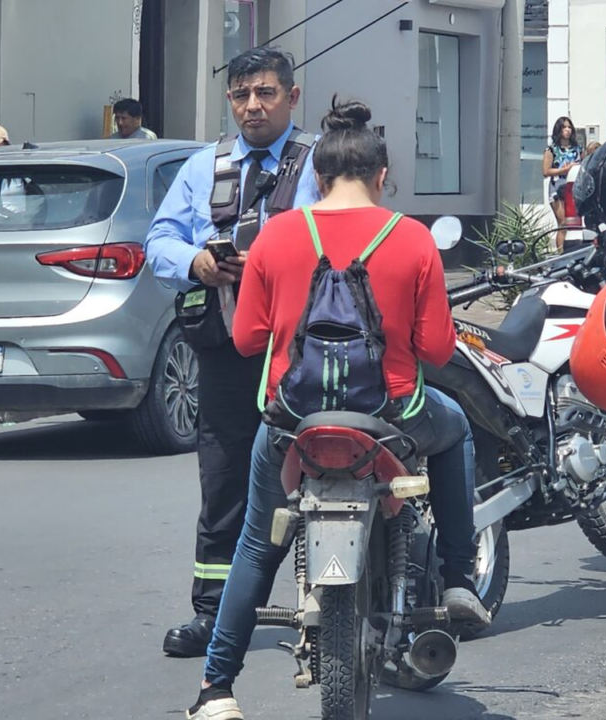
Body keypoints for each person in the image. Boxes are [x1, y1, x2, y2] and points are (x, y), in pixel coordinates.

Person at [184, 97, 489, 720]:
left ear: (316, 179)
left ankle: (217, 690)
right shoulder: (412, 238)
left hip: (292, 424)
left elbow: (246, 340)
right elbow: (435, 348)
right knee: (457, 430)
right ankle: (459, 576)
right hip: (392, 419)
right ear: (383, 176)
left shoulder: (277, 236)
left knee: (253, 544)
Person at [146, 47, 319, 660]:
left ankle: (335, 603)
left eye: (266, 93)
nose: (253, 106)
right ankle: (213, 614)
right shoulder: (203, 166)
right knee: (223, 481)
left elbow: (348, 237)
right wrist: (195, 261)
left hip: (308, 352)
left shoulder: (320, 163)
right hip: (223, 349)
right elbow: (157, 241)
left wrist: (277, 261)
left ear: (292, 98)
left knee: (323, 472)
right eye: (242, 95)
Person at [542, 116, 582, 253]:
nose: (567, 130)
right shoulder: (551, 150)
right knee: (563, 222)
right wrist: (564, 169)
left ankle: (573, 252)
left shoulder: (577, 148)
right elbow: (546, 171)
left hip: (574, 187)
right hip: (557, 186)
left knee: (573, 223)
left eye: (569, 127)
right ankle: (560, 253)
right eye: (564, 127)